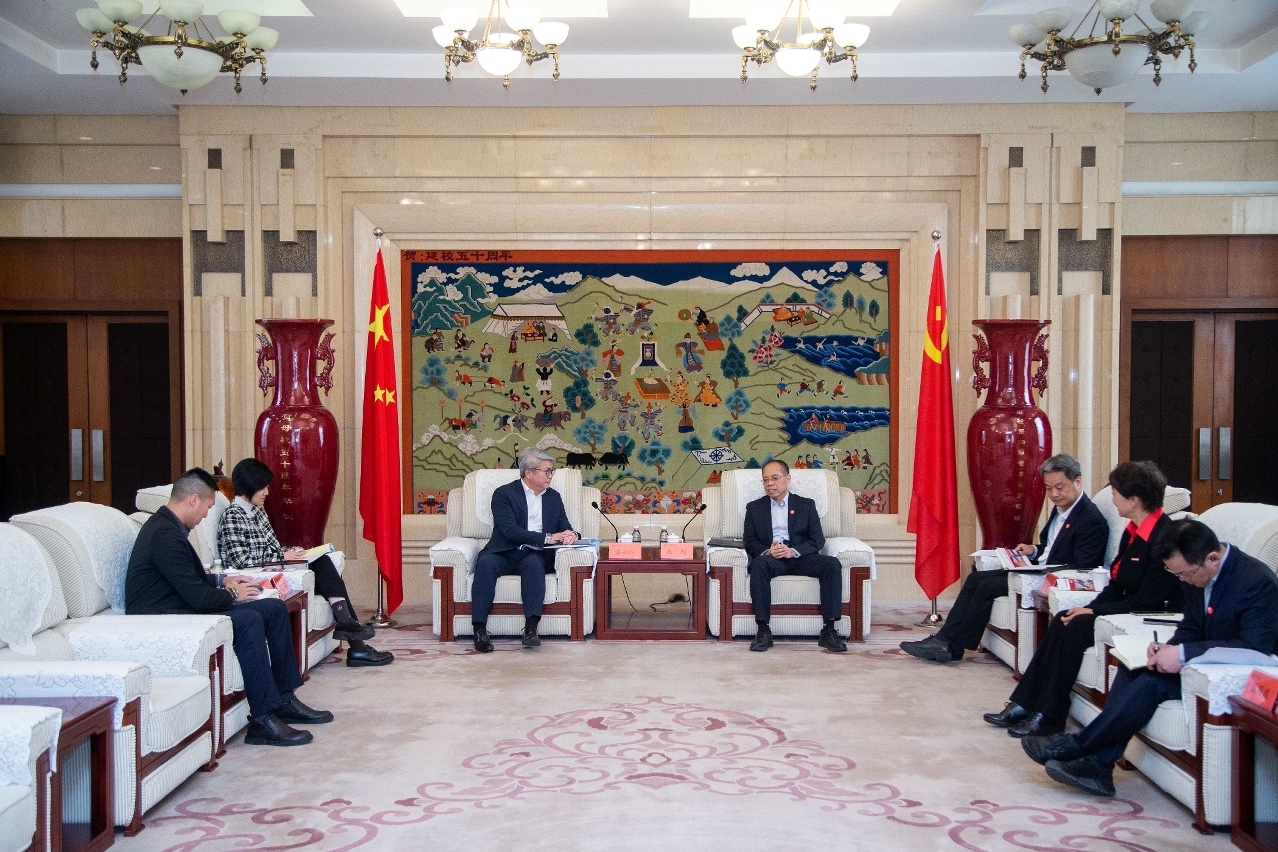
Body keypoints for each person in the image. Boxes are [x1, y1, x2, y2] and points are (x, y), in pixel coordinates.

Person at [1023, 519, 1278, 796]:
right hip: (1198, 662)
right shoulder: (1193, 571)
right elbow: (1192, 625)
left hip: (1228, 676)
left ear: (1212, 558)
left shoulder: (1256, 582)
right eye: (1176, 574)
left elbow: (1252, 647)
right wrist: (1168, 650)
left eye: (1185, 574)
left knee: (1150, 684)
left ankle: (1079, 745)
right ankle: (1099, 766)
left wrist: (1182, 654)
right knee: (1132, 668)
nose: (1183, 580)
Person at [126, 468, 332, 747]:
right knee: (249, 619)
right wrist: (233, 593)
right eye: (207, 507)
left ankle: (284, 699)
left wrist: (223, 580)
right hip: (164, 615)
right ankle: (262, 720)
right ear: (193, 500)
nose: (206, 516)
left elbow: (188, 578)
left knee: (273, 608)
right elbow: (198, 598)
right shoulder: (164, 534)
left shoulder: (170, 526)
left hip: (177, 602)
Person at [983, 461, 1184, 738]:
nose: (1112, 499)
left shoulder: (1165, 537)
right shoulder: (1132, 531)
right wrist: (1087, 608)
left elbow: (1146, 602)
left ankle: (1050, 716)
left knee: (1077, 626)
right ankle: (1023, 703)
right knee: (1066, 618)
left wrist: (1092, 614)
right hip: (1125, 607)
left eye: (1115, 493)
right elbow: (1116, 585)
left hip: (1147, 615)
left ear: (1134, 499)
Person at [901, 454, 1108, 664]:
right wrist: (1032, 551)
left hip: (1050, 580)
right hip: (1035, 570)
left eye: (1059, 488)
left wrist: (1034, 569)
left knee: (986, 586)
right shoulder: (1062, 508)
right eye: (1048, 488)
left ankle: (952, 645)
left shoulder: (1090, 520)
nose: (1054, 494)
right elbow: (1052, 548)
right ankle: (945, 641)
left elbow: (1080, 568)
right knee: (976, 578)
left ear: (1077, 481)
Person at [217, 458, 393, 668]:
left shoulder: (257, 511)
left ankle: (352, 633)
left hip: (272, 566)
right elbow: (241, 561)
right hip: (255, 576)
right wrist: (282, 557)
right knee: (323, 567)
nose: (267, 492)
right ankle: (355, 642)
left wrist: (292, 552)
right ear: (249, 485)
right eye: (263, 487)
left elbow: (272, 548)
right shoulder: (232, 516)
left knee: (322, 561)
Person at [471, 448, 578, 652]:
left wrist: (572, 535)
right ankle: (479, 630)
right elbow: (509, 530)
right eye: (547, 471)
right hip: (504, 551)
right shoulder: (504, 494)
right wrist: (547, 537)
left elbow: (565, 526)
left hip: (533, 553)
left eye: (552, 471)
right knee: (485, 564)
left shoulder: (553, 497)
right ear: (529, 472)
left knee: (534, 564)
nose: (550, 475)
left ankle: (531, 629)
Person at [744, 460, 846, 653]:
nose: (770, 484)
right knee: (758, 564)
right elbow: (749, 541)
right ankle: (763, 630)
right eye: (765, 480)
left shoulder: (805, 505)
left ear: (788, 478)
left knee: (831, 564)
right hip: (772, 559)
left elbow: (817, 539)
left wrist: (794, 551)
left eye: (775, 478)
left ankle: (829, 630)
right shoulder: (754, 508)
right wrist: (768, 551)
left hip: (800, 557)